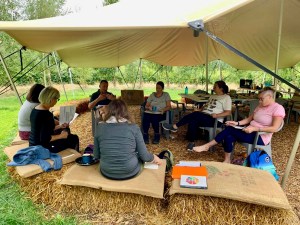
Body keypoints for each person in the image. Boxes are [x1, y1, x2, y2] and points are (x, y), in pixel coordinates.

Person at [193, 87, 285, 163]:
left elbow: (274, 128)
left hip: (260, 137)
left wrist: (255, 129)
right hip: (249, 131)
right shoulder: (260, 106)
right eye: (259, 99)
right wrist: (236, 123)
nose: (259, 101)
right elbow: (249, 119)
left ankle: (207, 146)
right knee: (229, 133)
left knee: (229, 130)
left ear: (270, 97)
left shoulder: (278, 108)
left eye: (262, 99)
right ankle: (227, 159)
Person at [93, 99, 162, 180]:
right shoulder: (133, 127)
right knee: (137, 155)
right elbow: (144, 156)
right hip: (130, 171)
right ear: (125, 111)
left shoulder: (100, 127)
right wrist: (154, 157)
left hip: (106, 171)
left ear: (109, 111)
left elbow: (96, 155)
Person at [163, 80, 232, 151]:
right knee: (193, 120)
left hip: (215, 120)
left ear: (221, 88)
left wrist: (217, 115)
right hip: (204, 116)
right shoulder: (213, 96)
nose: (213, 88)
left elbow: (228, 112)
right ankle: (191, 142)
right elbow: (206, 105)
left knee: (195, 115)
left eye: (215, 86)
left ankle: (175, 126)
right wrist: (200, 110)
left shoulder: (226, 98)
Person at [29, 86, 79, 153]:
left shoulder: (35, 109)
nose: (56, 102)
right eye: (57, 99)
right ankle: (73, 157)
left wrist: (60, 126)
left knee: (68, 135)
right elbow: (45, 139)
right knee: (73, 138)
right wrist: (61, 136)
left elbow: (44, 130)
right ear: (51, 99)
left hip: (33, 144)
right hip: (42, 148)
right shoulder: (46, 114)